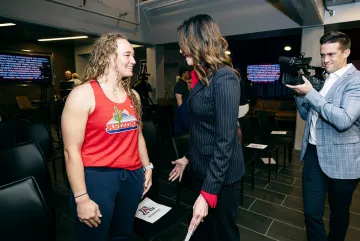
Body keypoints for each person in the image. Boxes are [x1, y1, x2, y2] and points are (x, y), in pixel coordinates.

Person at [61, 32, 153, 241]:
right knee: (94, 237)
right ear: (109, 57)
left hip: (132, 177)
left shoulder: (133, 96)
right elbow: (70, 151)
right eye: (127, 55)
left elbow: (137, 136)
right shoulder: (82, 95)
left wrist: (147, 167)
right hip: (97, 178)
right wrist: (82, 198)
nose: (134, 60)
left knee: (122, 234)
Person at [169, 14, 245, 241]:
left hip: (222, 176)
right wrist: (188, 158)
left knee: (223, 233)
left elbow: (225, 140)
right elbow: (203, 130)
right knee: (203, 231)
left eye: (185, 44)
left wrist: (209, 192)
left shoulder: (225, 78)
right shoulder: (204, 76)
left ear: (199, 42)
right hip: (202, 168)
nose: (181, 50)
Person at [286, 31, 360, 241]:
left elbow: (344, 119)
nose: (325, 60)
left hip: (343, 160)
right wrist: (299, 94)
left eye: (331, 54)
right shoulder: (323, 78)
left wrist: (310, 93)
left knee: (338, 214)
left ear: (346, 52)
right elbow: (308, 115)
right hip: (313, 155)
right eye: (322, 54)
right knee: (311, 213)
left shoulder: (356, 80)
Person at [173, 67, 191, 136]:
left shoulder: (185, 84)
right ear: (183, 73)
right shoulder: (179, 84)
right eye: (188, 72)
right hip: (181, 116)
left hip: (185, 114)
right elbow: (179, 103)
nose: (189, 74)